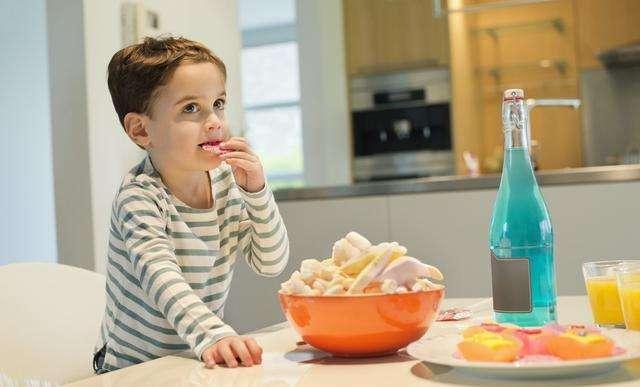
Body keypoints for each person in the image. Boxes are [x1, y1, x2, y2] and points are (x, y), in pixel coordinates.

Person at [93, 36, 289, 373]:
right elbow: (162, 280)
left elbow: (270, 262)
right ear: (141, 130)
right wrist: (215, 334)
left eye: (219, 103)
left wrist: (257, 191)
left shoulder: (227, 182)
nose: (214, 121)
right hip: (131, 370)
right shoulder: (139, 197)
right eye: (191, 109)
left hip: (194, 360)